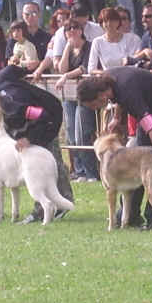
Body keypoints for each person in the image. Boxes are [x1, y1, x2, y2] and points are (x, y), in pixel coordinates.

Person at [77, 66, 152, 230]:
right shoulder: (108, 82)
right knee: (138, 162)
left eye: (94, 105)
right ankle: (130, 216)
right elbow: (118, 99)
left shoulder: (129, 93)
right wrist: (117, 118)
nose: (96, 109)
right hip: (148, 107)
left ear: (100, 95)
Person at [0, 64, 74, 223]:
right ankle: (52, 204)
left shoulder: (15, 107)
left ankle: (51, 206)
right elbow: (10, 69)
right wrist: (28, 70)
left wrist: (30, 138)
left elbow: (43, 116)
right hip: (33, 117)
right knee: (39, 162)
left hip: (49, 117)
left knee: (48, 159)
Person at [55, 18, 98, 182]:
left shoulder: (89, 46)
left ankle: (91, 172)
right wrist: (67, 46)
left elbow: (84, 68)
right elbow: (62, 68)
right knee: (72, 135)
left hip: (85, 95)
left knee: (83, 134)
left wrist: (66, 76)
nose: (71, 31)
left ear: (81, 30)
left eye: (75, 28)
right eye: (67, 29)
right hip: (69, 96)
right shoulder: (69, 49)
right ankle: (80, 171)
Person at [52, 2, 104, 70]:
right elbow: (56, 62)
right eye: (76, 26)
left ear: (88, 17)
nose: (80, 29)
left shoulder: (98, 29)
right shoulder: (60, 33)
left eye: (83, 25)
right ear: (71, 17)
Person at [89, 7, 141, 73]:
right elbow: (91, 69)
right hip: (108, 78)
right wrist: (104, 73)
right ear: (101, 24)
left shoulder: (133, 39)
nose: (109, 24)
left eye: (112, 20)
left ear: (118, 22)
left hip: (129, 76)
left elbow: (135, 64)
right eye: (105, 21)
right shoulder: (97, 42)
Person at [6, 2, 50, 71]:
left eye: (34, 13)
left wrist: (38, 64)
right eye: (27, 14)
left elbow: (51, 59)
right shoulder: (14, 38)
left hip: (42, 73)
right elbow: (9, 62)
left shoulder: (47, 37)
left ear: (39, 14)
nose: (30, 17)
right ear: (22, 15)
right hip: (18, 74)